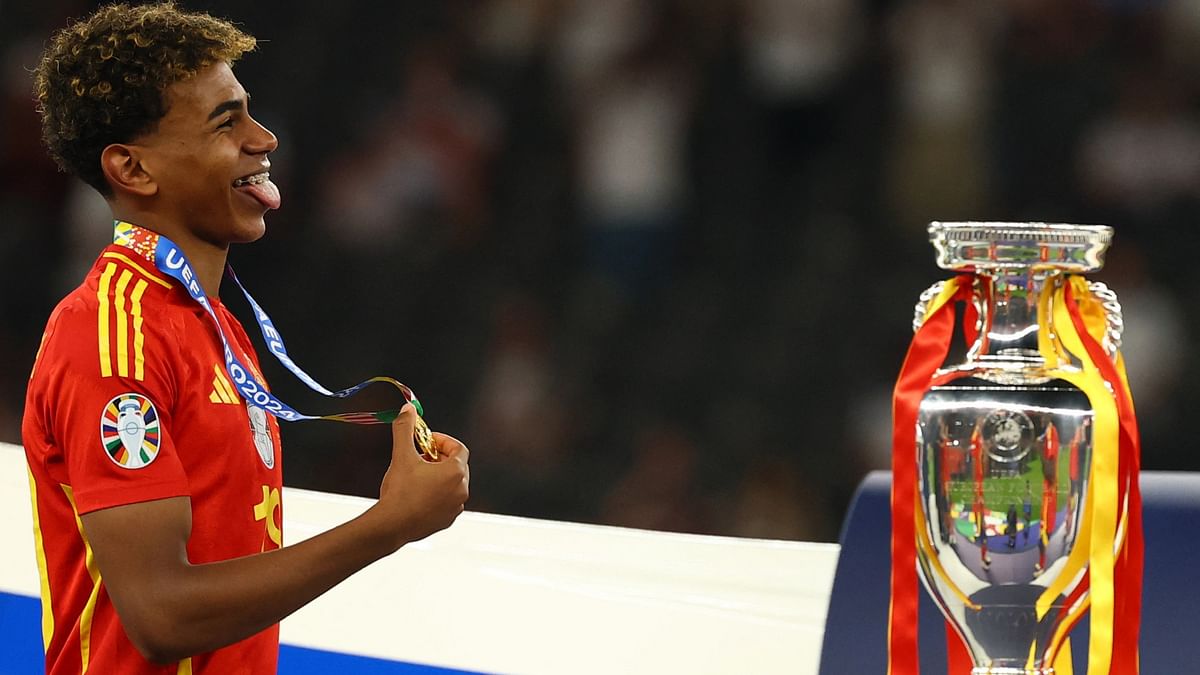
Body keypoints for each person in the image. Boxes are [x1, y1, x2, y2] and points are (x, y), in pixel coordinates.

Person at [22, 4, 470, 674]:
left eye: (249, 111)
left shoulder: (218, 327)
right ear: (134, 169)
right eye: (225, 122)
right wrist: (389, 525)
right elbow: (160, 613)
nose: (263, 138)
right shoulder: (109, 339)